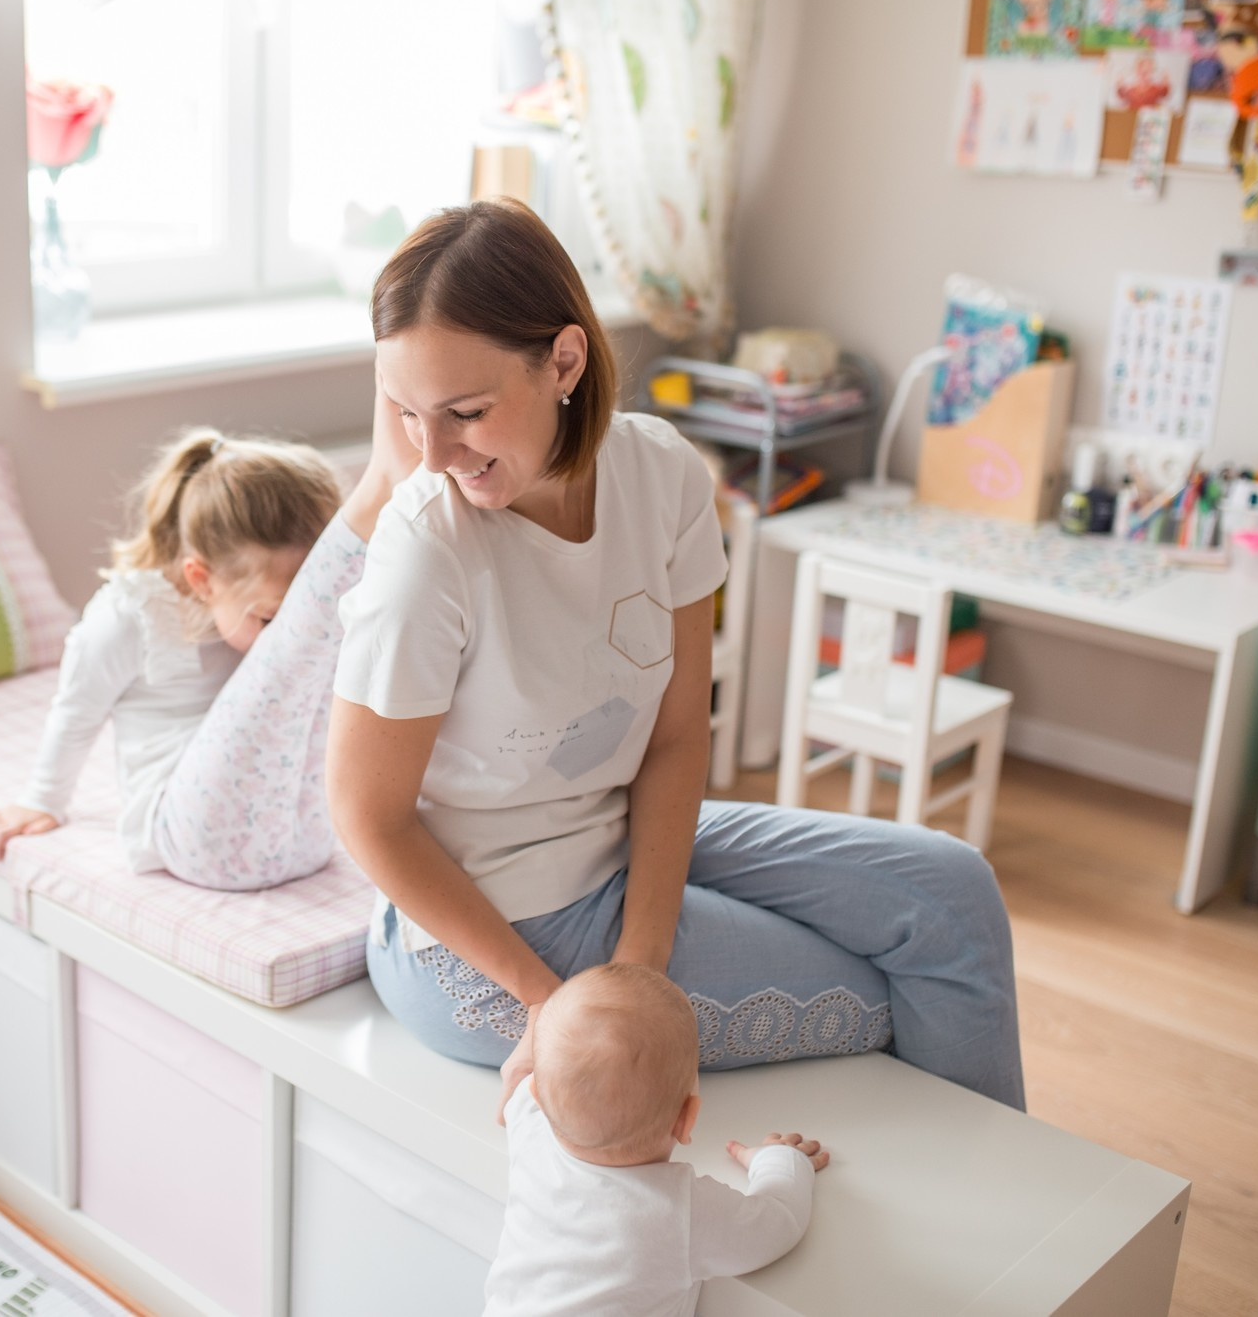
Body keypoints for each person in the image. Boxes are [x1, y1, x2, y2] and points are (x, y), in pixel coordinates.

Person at [327, 198, 1024, 1110]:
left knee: (950, 896)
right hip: (494, 926)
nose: (434, 453)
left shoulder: (664, 477)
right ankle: (968, 1227)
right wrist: (565, 1004)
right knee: (907, 991)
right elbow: (367, 817)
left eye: (463, 412)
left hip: (617, 841)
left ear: (565, 361)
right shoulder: (429, 548)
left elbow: (672, 736)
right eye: (409, 414)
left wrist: (643, 963)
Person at [0, 410, 417, 891]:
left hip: (305, 837)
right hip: (193, 832)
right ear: (200, 579)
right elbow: (76, 710)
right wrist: (42, 799)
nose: (277, 631)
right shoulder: (130, 614)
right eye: (269, 617)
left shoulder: (250, 605)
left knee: (343, 652)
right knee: (305, 643)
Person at [485, 963, 827, 1317]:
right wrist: (781, 1160)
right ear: (686, 1119)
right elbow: (779, 1225)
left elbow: (524, 1088)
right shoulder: (682, 1211)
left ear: (538, 1096)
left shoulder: (529, 1130)